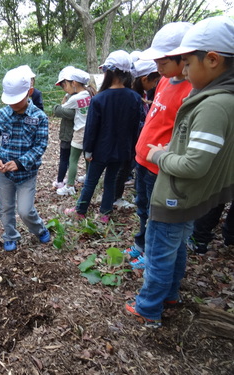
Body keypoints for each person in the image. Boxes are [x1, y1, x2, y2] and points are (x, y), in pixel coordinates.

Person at [125, 16, 234, 327]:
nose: (184, 70)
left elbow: (194, 163)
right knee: (173, 246)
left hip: (176, 192)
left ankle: (148, 308)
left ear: (212, 60)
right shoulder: (213, 97)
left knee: (160, 251)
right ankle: (170, 294)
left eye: (187, 63)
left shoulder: (212, 104)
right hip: (181, 192)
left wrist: (159, 155)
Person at [124, 22, 193, 270]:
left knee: (157, 216)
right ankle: (141, 244)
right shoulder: (165, 81)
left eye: (163, 62)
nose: (157, 68)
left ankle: (151, 255)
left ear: (184, 57)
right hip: (142, 159)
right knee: (143, 207)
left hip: (159, 165)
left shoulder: (192, 89)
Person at [64, 50, 142, 223]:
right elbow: (135, 128)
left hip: (100, 150)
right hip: (122, 150)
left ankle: (80, 210)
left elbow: (91, 128)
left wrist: (88, 150)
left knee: (91, 181)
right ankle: (105, 214)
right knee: (110, 181)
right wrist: (131, 150)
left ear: (110, 72)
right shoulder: (135, 98)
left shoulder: (100, 99)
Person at [0, 67, 50, 251]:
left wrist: (21, 163)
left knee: (24, 210)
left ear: (29, 92)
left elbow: (40, 145)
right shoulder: (2, 115)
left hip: (27, 174)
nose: (14, 104)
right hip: (5, 173)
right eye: (10, 100)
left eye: (18, 100)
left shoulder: (39, 117)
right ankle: (10, 235)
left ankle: (39, 228)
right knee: (6, 208)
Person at [113, 59, 160, 209]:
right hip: (130, 140)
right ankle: (115, 197)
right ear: (144, 79)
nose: (154, 85)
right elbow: (130, 121)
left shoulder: (141, 95)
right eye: (154, 82)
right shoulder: (132, 97)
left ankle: (127, 195)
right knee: (123, 168)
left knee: (129, 167)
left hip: (136, 139)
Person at [55, 68, 95, 196]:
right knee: (88, 157)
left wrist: (63, 100)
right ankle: (89, 180)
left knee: (73, 160)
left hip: (79, 132)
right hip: (91, 131)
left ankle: (70, 185)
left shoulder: (75, 98)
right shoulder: (91, 94)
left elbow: (60, 109)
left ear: (74, 83)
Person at [51, 66, 75, 190]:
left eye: (63, 85)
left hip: (69, 134)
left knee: (66, 158)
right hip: (70, 133)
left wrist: (58, 107)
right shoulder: (77, 95)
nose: (63, 88)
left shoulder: (75, 97)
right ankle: (65, 179)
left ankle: (61, 181)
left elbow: (65, 112)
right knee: (70, 158)